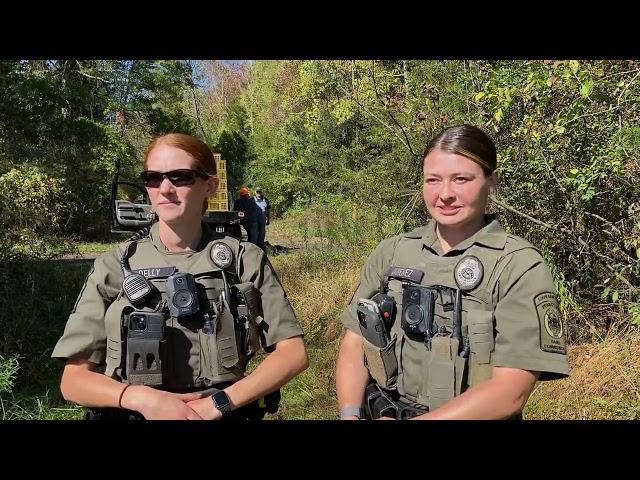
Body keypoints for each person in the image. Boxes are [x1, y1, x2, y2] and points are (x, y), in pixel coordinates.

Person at [52, 133, 308, 420]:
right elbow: (73, 380)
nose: (165, 189)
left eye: (180, 177)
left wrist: (218, 403)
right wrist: (142, 399)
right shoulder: (115, 265)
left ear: (209, 185)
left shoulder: (242, 260)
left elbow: (292, 353)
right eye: (153, 178)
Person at [335, 124, 569, 420]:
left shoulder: (518, 265)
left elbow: (511, 392)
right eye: (433, 180)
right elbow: (356, 340)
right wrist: (350, 414)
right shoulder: (393, 251)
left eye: (461, 179)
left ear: (493, 181)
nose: (445, 194)